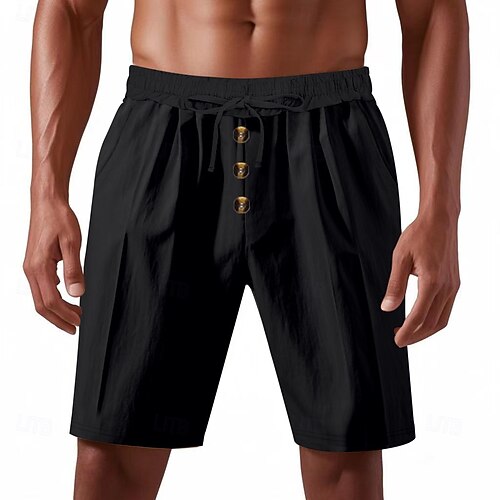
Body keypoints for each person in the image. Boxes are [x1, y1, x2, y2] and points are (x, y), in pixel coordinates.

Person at [23, 0, 469, 498]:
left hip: (330, 137)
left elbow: (433, 12)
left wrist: (441, 209)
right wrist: (46, 193)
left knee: (347, 452)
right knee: (113, 445)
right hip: (162, 135)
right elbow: (71, 10)